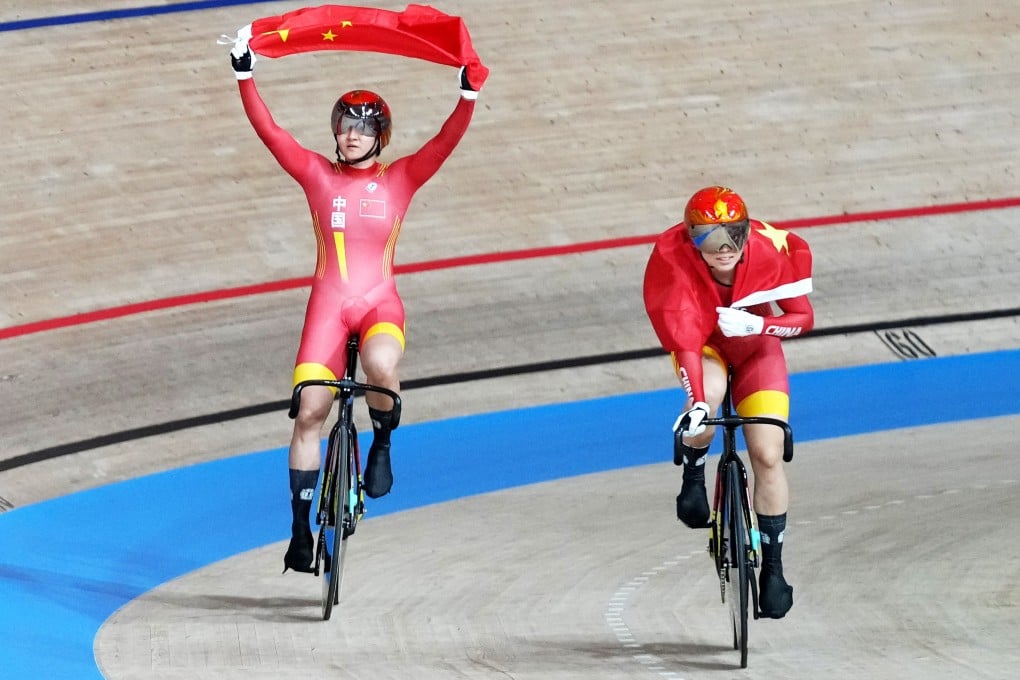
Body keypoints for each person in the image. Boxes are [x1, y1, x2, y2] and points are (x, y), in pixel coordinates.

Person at [226, 27, 480, 574]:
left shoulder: (401, 178)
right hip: (328, 304)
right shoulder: (316, 174)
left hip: (377, 302)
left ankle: (383, 443)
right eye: (344, 126)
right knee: (309, 414)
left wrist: (467, 96)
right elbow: (272, 133)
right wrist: (246, 75)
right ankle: (298, 528)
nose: (350, 136)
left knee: (381, 365)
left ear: (379, 137)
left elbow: (444, 142)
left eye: (362, 129)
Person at [642, 186, 814, 619]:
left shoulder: (766, 253)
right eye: (707, 239)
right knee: (710, 397)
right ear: (690, 241)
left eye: (732, 236)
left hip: (756, 347)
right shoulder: (675, 264)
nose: (723, 249)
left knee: (768, 454)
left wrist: (761, 324)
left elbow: (803, 317)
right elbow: (683, 343)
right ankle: (694, 474)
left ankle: (773, 569)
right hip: (703, 348)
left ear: (745, 232)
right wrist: (696, 401)